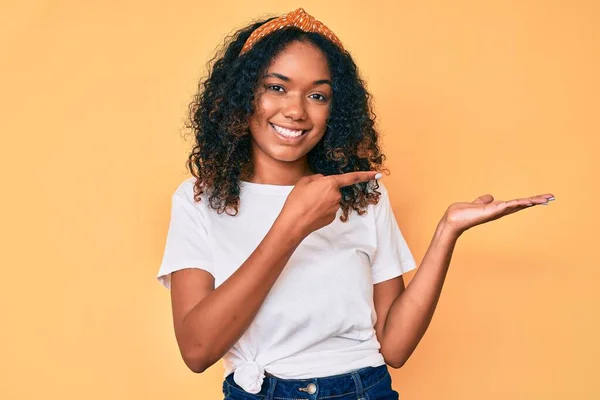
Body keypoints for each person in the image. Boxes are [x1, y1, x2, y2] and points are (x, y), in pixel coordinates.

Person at [156, 8, 555, 400]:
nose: (295, 110)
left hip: (363, 391)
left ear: (336, 111)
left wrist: (447, 230)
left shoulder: (363, 197)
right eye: (276, 87)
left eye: (317, 95)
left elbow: (395, 348)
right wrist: (291, 225)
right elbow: (197, 351)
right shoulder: (199, 199)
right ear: (242, 95)